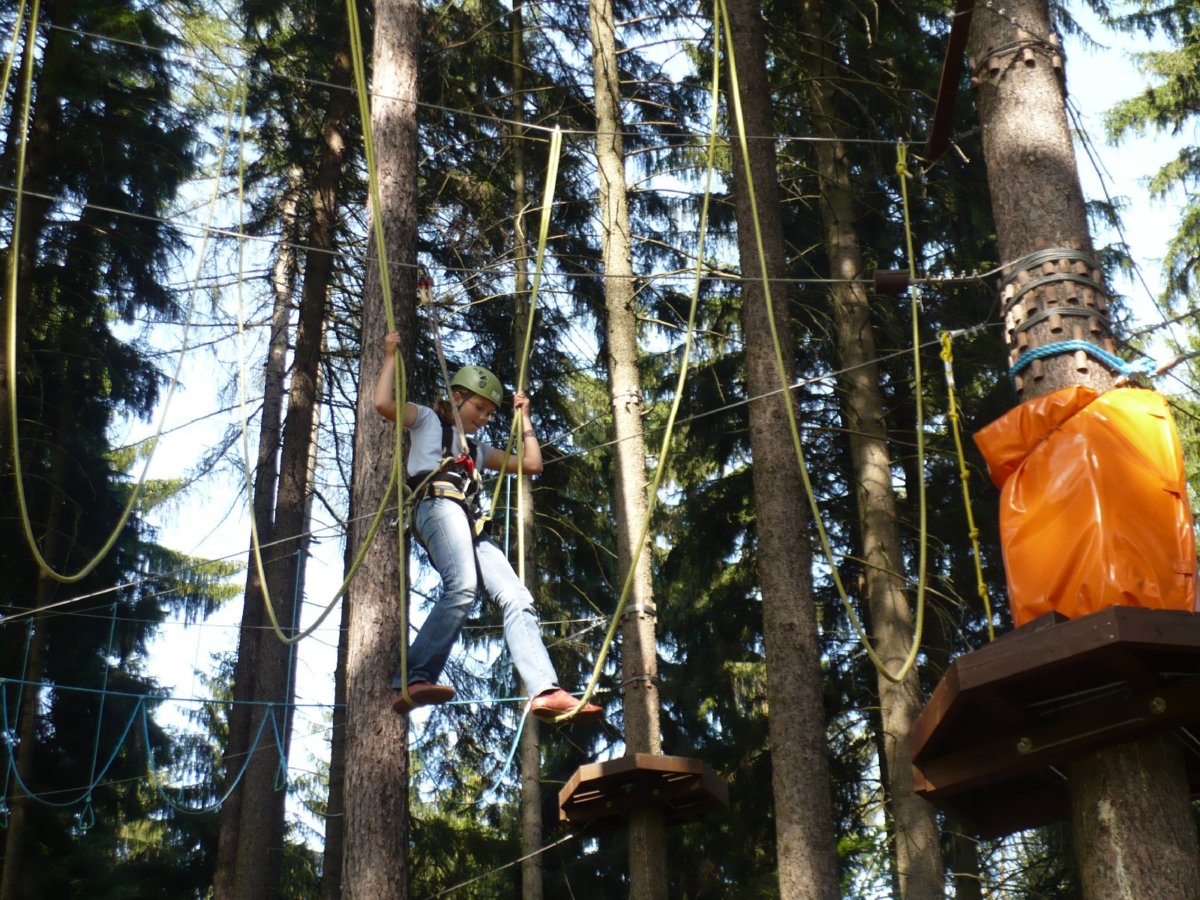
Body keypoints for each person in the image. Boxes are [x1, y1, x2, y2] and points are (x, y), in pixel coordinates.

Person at [374, 330, 602, 722]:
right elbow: (383, 404)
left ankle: (545, 690)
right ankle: (414, 677)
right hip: (437, 506)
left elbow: (532, 465)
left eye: (488, 413)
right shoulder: (426, 420)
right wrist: (391, 355)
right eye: (478, 407)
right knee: (462, 587)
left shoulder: (478, 451)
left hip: (468, 523)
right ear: (456, 397)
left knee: (517, 597)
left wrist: (524, 419)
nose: (482, 417)